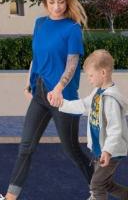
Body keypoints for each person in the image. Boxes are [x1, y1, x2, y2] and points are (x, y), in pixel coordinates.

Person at [0, 0, 93, 200]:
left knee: (72, 150)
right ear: (45, 2)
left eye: (61, 2)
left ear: (67, 1)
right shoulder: (40, 24)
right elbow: (36, 57)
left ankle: (99, 189)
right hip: (40, 93)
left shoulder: (72, 29)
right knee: (26, 146)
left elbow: (72, 64)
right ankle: (10, 197)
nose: (56, 7)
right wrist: (29, 82)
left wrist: (58, 89)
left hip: (63, 98)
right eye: (52, 2)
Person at [55, 49, 128, 200]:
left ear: (103, 73)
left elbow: (115, 129)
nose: (89, 79)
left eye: (91, 75)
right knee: (105, 184)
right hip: (99, 149)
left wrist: (108, 151)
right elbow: (83, 105)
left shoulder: (110, 99)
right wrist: (62, 104)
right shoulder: (97, 92)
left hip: (110, 152)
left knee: (96, 185)